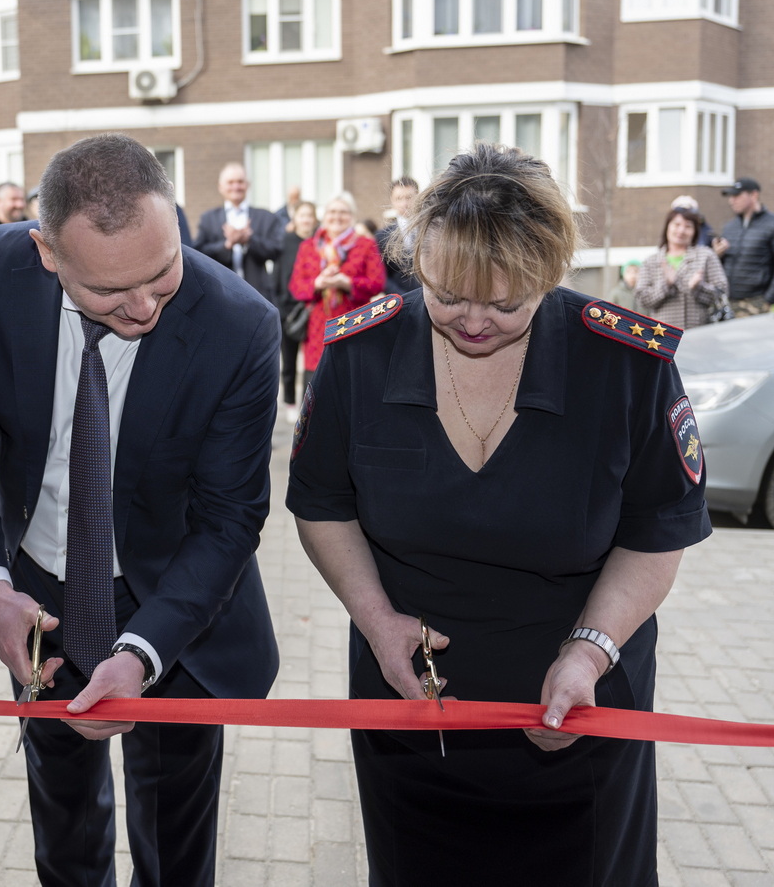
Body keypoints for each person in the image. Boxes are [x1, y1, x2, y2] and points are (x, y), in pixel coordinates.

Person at [288, 142, 709, 885]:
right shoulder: (362, 353)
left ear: (550, 274)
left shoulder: (627, 366)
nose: (471, 320)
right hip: (411, 708)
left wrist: (589, 651)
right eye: (447, 294)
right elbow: (322, 505)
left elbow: (658, 530)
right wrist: (376, 622)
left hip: (576, 707)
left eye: (506, 303)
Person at [0, 133, 280, 887]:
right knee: (64, 825)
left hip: (177, 604)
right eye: (111, 293)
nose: (145, 306)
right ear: (47, 252)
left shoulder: (239, 324)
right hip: (39, 595)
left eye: (162, 273)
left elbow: (229, 519)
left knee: (176, 839)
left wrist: (141, 653)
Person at [288, 193, 385, 394]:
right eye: (332, 212)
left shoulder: (366, 245)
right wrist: (318, 283)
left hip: (355, 323)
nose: (337, 217)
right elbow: (296, 286)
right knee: (317, 392)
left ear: (352, 216)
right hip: (317, 329)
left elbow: (377, 283)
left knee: (353, 388)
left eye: (343, 212)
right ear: (324, 216)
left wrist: (348, 283)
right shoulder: (308, 247)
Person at [193, 162, 285, 305]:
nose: (236, 187)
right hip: (219, 294)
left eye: (240, 182)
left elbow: (276, 249)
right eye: (230, 182)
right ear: (220, 187)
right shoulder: (208, 218)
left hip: (258, 295)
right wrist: (227, 244)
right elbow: (198, 253)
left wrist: (249, 240)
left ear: (247, 185)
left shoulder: (265, 217)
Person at [634, 207, 729, 329]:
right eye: (677, 224)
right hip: (663, 336)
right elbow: (642, 299)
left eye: (688, 226)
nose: (681, 230)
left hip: (701, 333)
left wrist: (699, 287)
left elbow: (722, 293)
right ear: (667, 227)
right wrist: (666, 285)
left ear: (695, 231)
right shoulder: (651, 261)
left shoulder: (706, 256)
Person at [713, 177, 774, 317]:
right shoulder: (730, 227)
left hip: (755, 302)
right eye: (730, 196)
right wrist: (717, 255)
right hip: (728, 302)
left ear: (754, 195)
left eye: (737, 195)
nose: (732, 200)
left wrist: (768, 300)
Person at [276, 200, 318, 423]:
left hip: (314, 308)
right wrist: (280, 304)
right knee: (289, 360)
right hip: (290, 310)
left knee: (312, 361)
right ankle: (291, 401)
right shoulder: (286, 242)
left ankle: (310, 400)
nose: (306, 220)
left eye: (309, 215)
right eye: (302, 215)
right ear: (295, 218)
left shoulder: (320, 242)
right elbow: (279, 276)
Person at [376, 177, 421, 296]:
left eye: (409, 197)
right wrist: (401, 297)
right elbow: (382, 275)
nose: (404, 204)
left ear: (419, 197)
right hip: (398, 301)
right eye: (399, 198)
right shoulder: (382, 236)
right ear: (392, 201)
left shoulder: (431, 230)